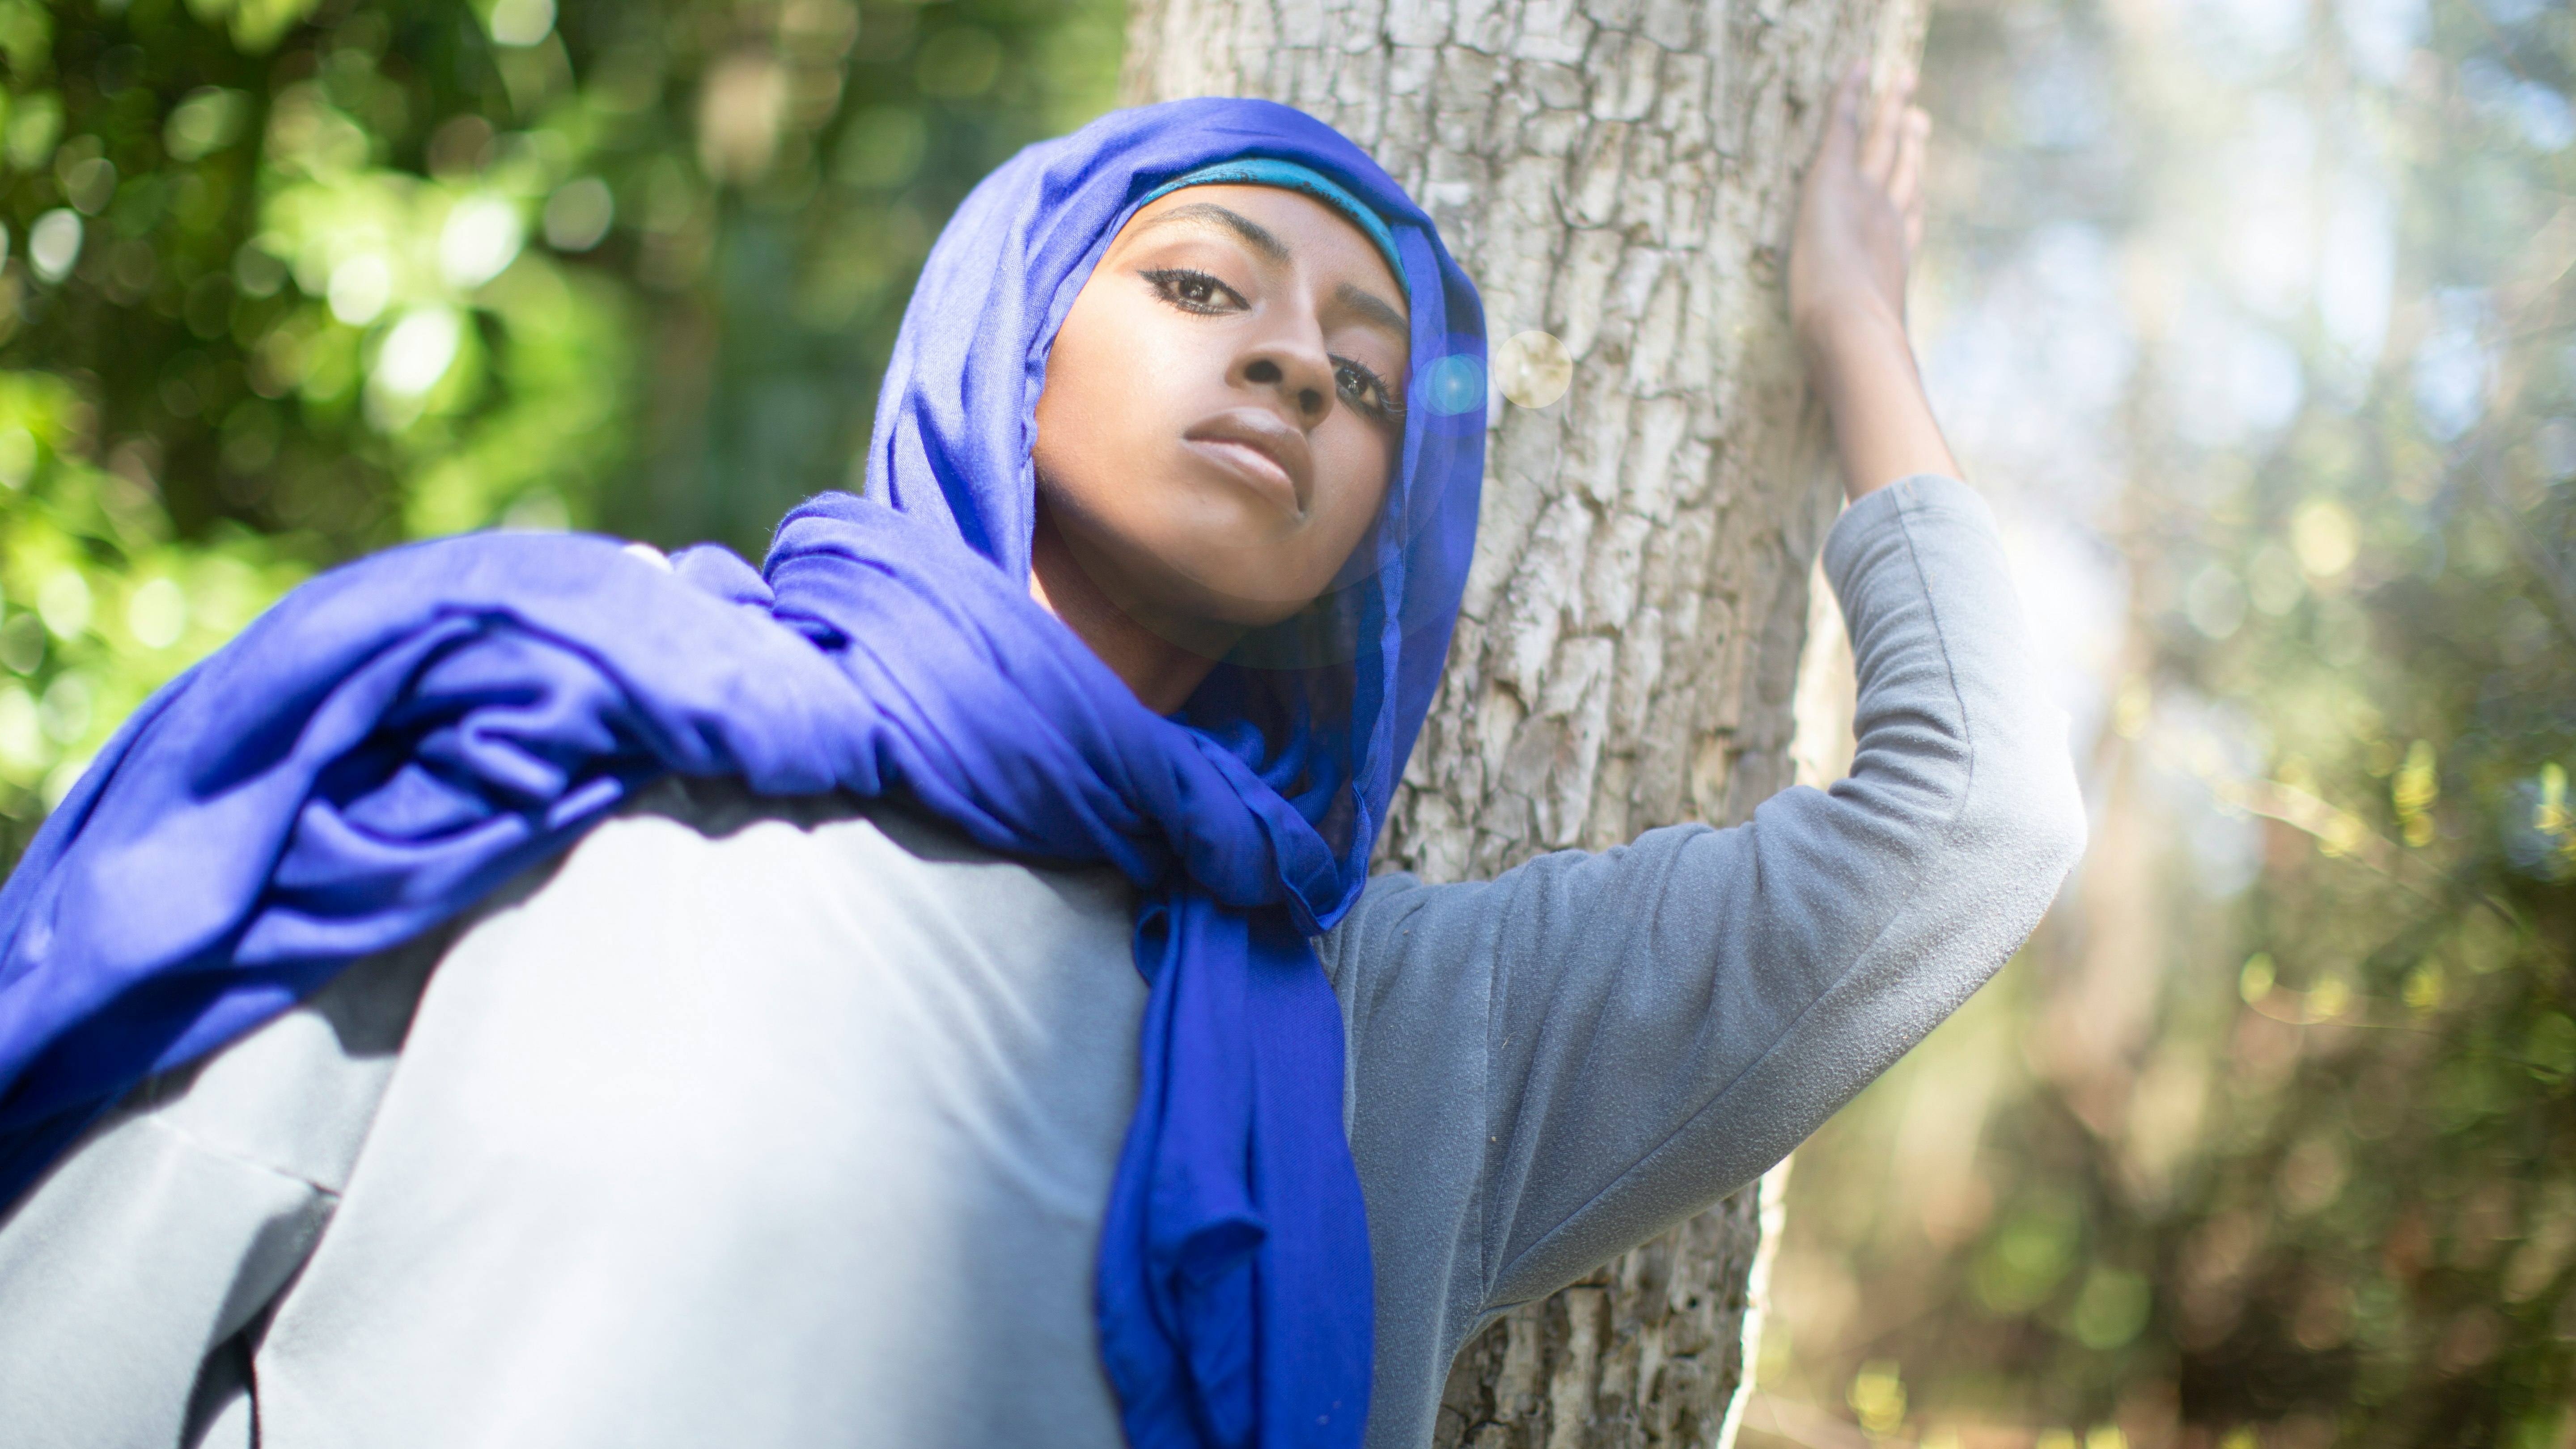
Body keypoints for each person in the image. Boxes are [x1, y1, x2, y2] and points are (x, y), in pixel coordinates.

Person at [0, 71, 2081, 1449]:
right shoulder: (563, 728)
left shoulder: (1406, 1035)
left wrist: (1857, 342)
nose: (1292, 360)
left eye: (1365, 379)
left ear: (1390, 528)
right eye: (1202, 286)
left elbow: (1971, 824)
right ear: (1007, 330)